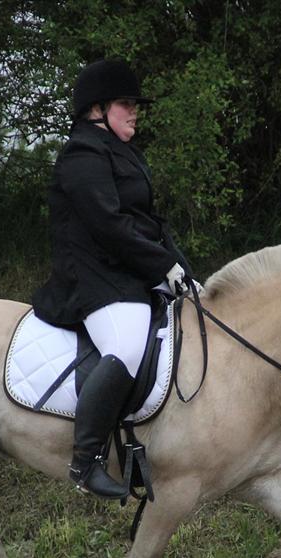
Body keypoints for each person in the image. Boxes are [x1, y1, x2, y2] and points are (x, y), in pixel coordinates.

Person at [31, 59, 194, 500]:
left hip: (125, 273)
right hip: (93, 281)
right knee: (125, 345)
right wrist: (160, 266)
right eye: (126, 103)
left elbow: (151, 222)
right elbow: (109, 224)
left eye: (134, 104)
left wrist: (181, 269)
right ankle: (86, 462)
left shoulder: (124, 153)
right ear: (97, 109)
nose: (135, 111)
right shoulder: (81, 156)